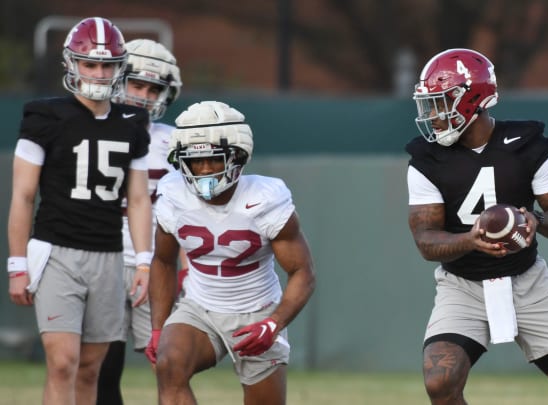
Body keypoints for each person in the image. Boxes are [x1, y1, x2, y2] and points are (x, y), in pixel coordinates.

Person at [405, 48, 548, 404]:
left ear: (472, 100)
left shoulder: (528, 146)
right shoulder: (426, 160)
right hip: (461, 286)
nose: (433, 115)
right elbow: (425, 240)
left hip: (528, 281)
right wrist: (471, 240)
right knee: (440, 381)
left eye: (440, 103)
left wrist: (536, 220)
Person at [6, 16, 153, 405]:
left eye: (107, 65)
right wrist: (17, 264)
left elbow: (138, 200)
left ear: (120, 67)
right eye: (91, 63)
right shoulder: (44, 116)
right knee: (63, 362)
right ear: (72, 63)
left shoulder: (132, 122)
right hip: (57, 252)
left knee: (91, 369)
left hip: (108, 254)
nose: (100, 72)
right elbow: (23, 196)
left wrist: (143, 261)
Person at [145, 101, 316, 405]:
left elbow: (303, 272)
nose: (205, 169)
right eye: (196, 161)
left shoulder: (264, 199)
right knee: (169, 366)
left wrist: (273, 323)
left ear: (237, 156)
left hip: (258, 311)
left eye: (214, 159)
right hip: (199, 307)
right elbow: (163, 260)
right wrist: (158, 328)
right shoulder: (173, 193)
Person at [96, 38, 185, 405]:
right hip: (104, 259)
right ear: (117, 79)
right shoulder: (89, 130)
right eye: (137, 84)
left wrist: (184, 268)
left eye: (153, 89)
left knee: (169, 365)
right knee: (102, 367)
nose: (144, 96)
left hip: (157, 263)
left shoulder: (174, 142)